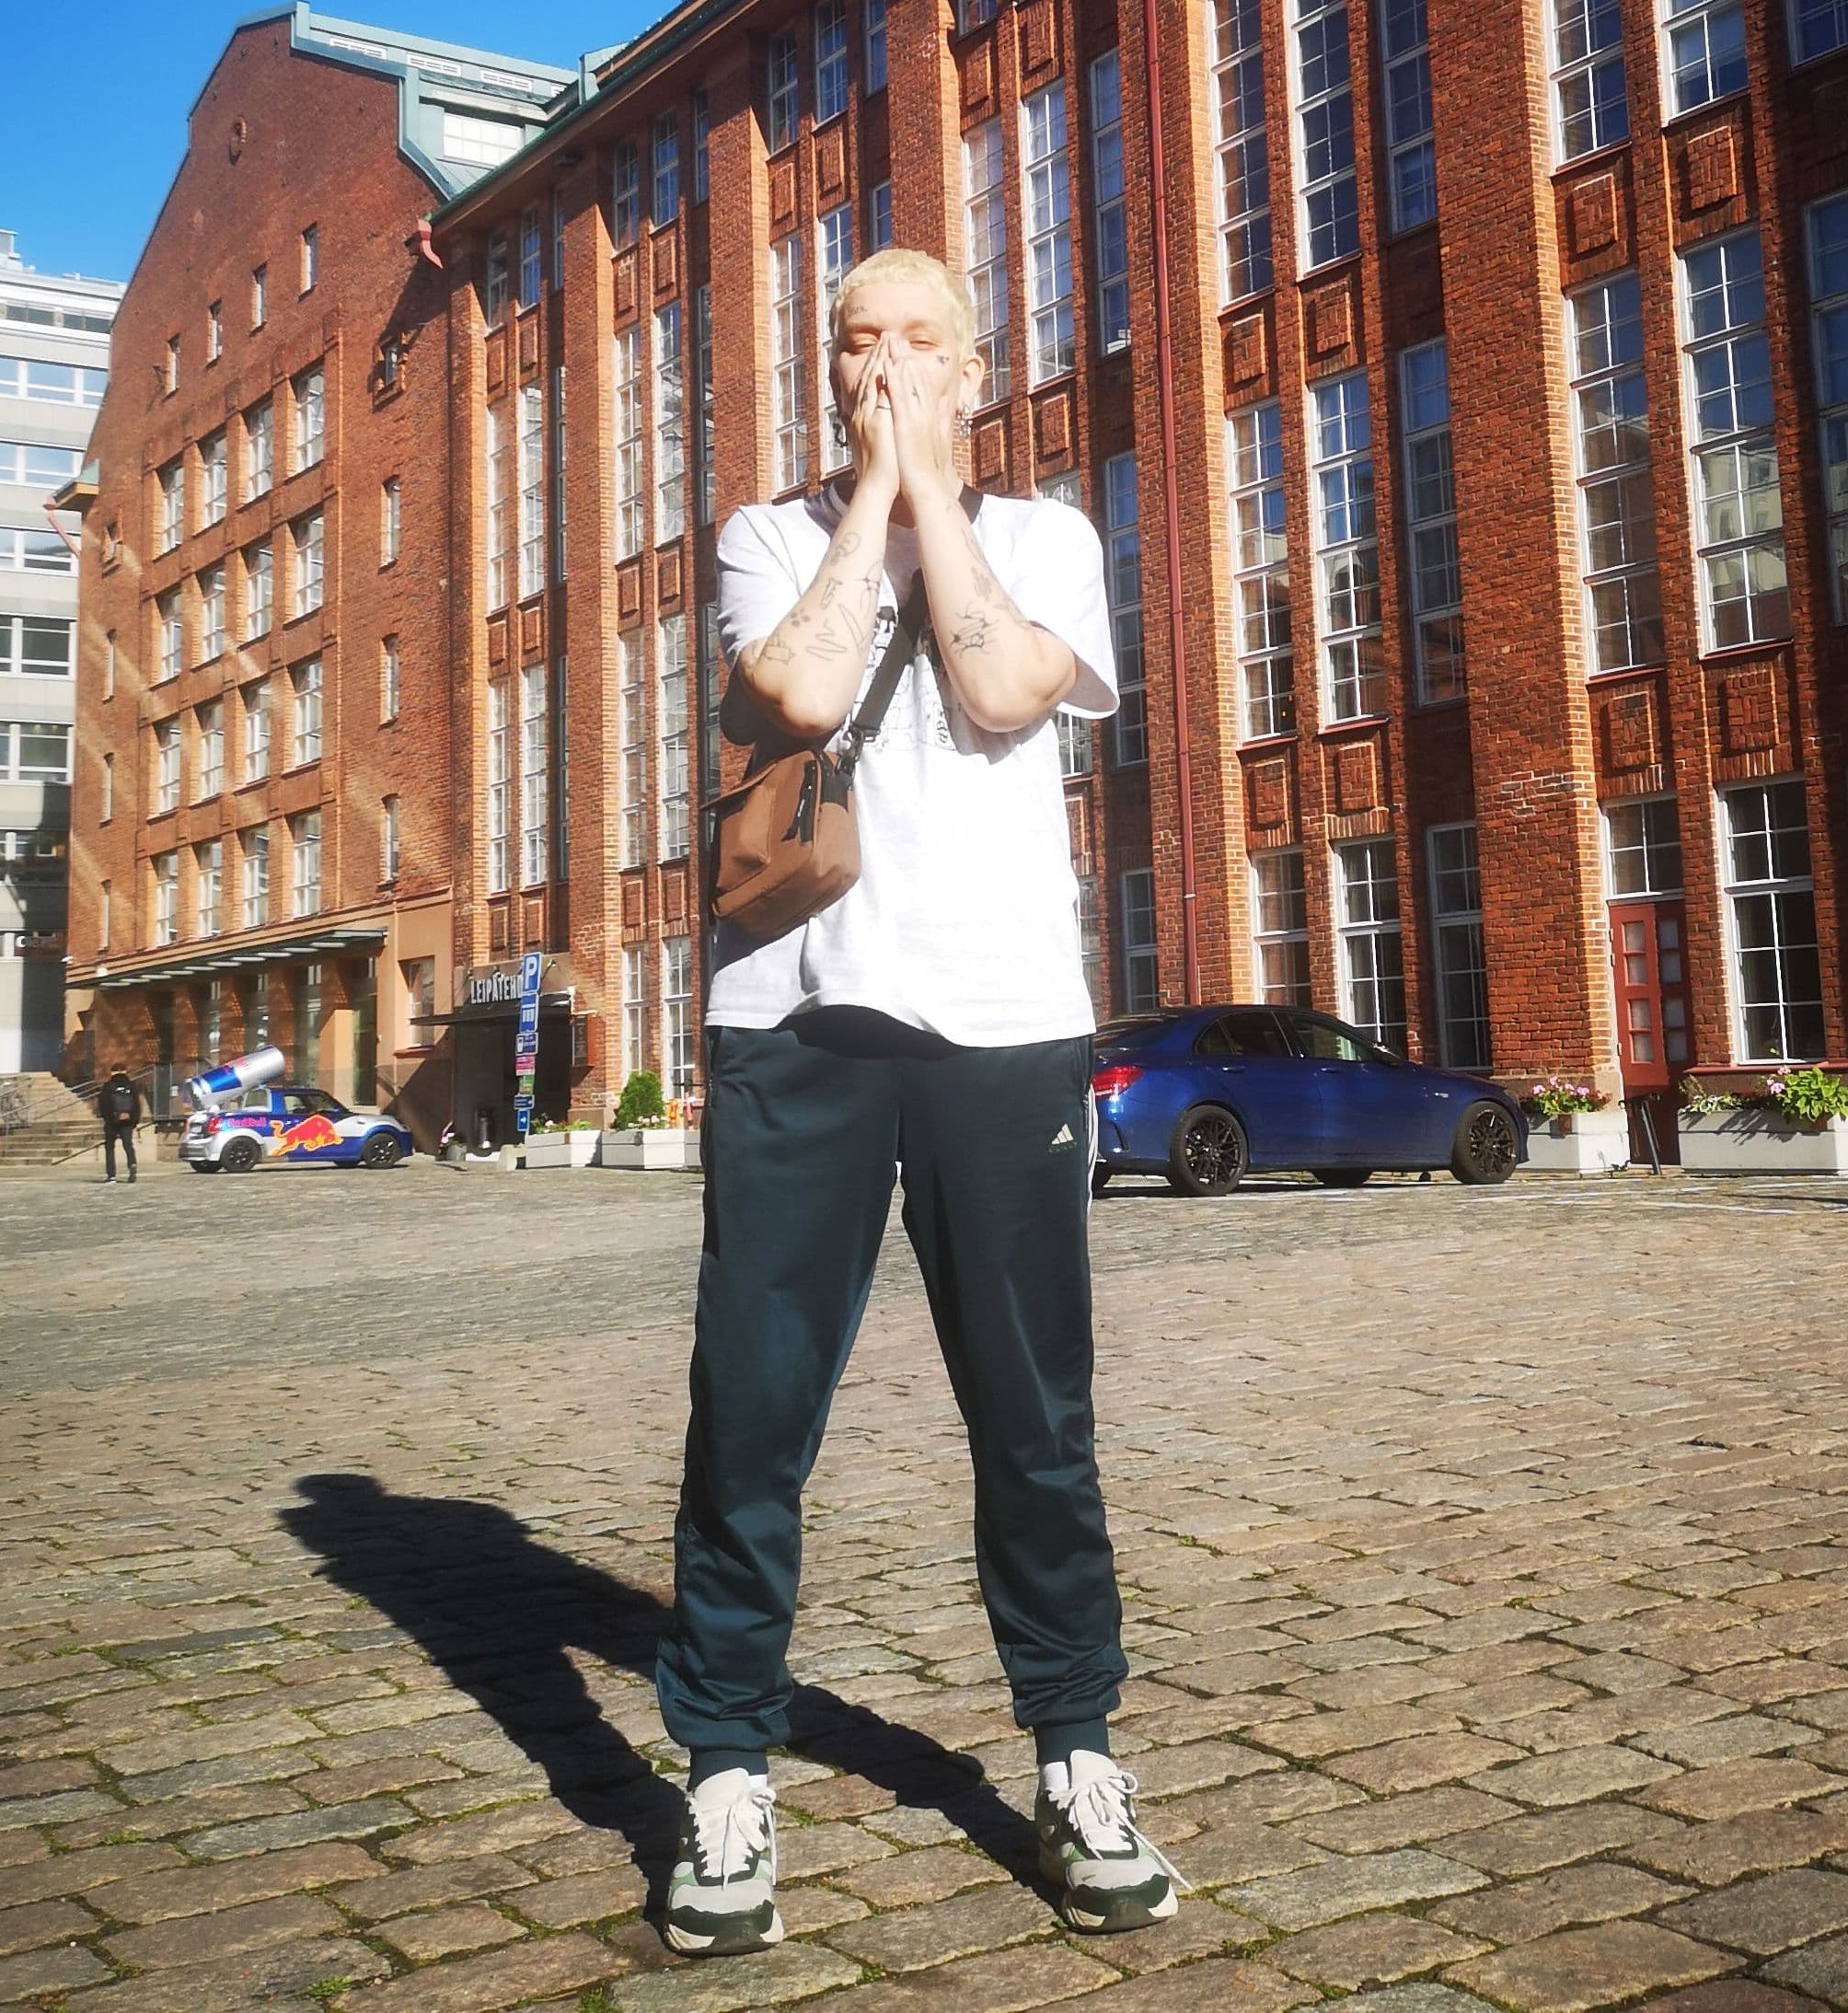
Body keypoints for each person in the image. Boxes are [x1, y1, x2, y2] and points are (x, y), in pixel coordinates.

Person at [653, 247, 1179, 1960]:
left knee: (1031, 1412)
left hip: (1004, 1022)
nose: (883, 365)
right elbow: (800, 693)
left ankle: (1075, 1752)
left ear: (973, 370)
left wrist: (931, 495)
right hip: (794, 1023)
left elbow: (1005, 689)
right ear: (831, 373)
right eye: (856, 343)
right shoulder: (765, 538)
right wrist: (871, 500)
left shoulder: (1048, 537)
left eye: (918, 343)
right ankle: (726, 1769)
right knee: (752, 1405)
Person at [97, 1067, 144, 1184]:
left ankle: (111, 1175)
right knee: (128, 1145)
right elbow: (137, 1105)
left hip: (112, 1122)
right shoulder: (131, 1086)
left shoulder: (108, 1086)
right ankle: (132, 1163)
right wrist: (133, 1120)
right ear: (125, 1072)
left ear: (112, 1073)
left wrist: (111, 1118)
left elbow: (103, 1104)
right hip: (127, 1122)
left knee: (110, 1148)